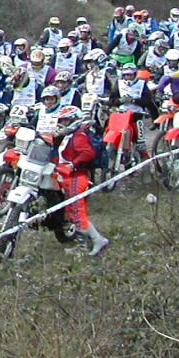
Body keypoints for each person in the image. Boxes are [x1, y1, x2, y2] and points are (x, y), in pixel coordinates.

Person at [53, 106, 110, 256]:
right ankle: (89, 243)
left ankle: (92, 243)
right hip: (70, 177)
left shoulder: (79, 136)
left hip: (76, 177)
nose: (62, 124)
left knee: (77, 213)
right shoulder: (70, 135)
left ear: (73, 120)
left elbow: (87, 153)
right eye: (61, 121)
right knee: (73, 212)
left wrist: (73, 165)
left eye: (65, 121)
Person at [110, 62, 154, 159]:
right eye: (126, 75)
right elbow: (112, 100)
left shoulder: (142, 84)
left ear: (135, 74)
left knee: (140, 142)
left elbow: (148, 101)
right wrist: (120, 101)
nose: (128, 77)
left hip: (136, 115)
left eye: (130, 75)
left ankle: (145, 162)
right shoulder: (118, 84)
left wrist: (134, 100)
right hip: (122, 116)